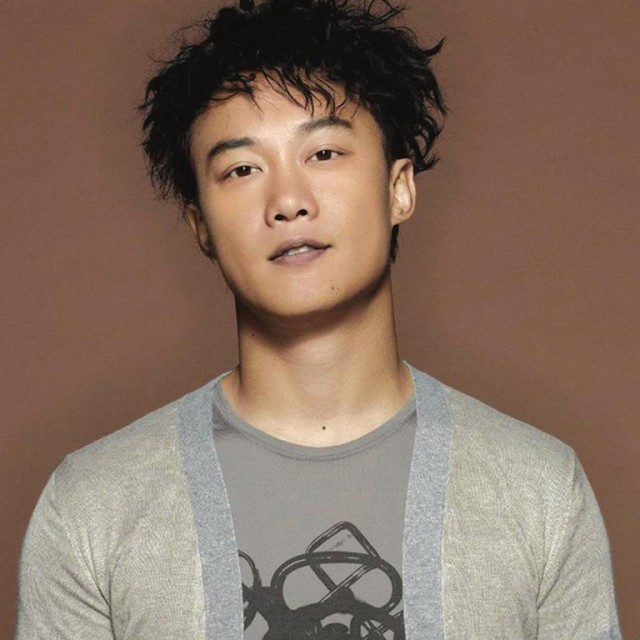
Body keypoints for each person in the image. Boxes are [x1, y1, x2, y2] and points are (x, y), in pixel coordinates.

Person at [15, 0, 622, 638]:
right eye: (242, 169)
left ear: (399, 189)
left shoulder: (539, 491)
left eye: (324, 153)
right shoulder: (92, 507)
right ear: (200, 226)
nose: (288, 202)